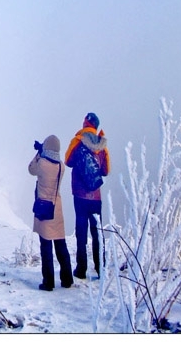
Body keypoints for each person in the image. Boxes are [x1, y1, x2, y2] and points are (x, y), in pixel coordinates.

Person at [65, 112, 110, 279]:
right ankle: (101, 268)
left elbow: (68, 161)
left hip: (79, 194)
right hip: (96, 197)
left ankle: (81, 269)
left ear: (85, 123)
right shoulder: (102, 144)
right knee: (97, 232)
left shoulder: (77, 140)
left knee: (81, 231)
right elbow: (106, 171)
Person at [28, 134, 74, 291]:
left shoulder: (42, 164)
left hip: (44, 209)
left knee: (45, 246)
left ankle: (48, 282)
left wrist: (39, 153)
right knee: (61, 245)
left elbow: (30, 169)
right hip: (57, 208)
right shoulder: (61, 166)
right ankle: (67, 279)